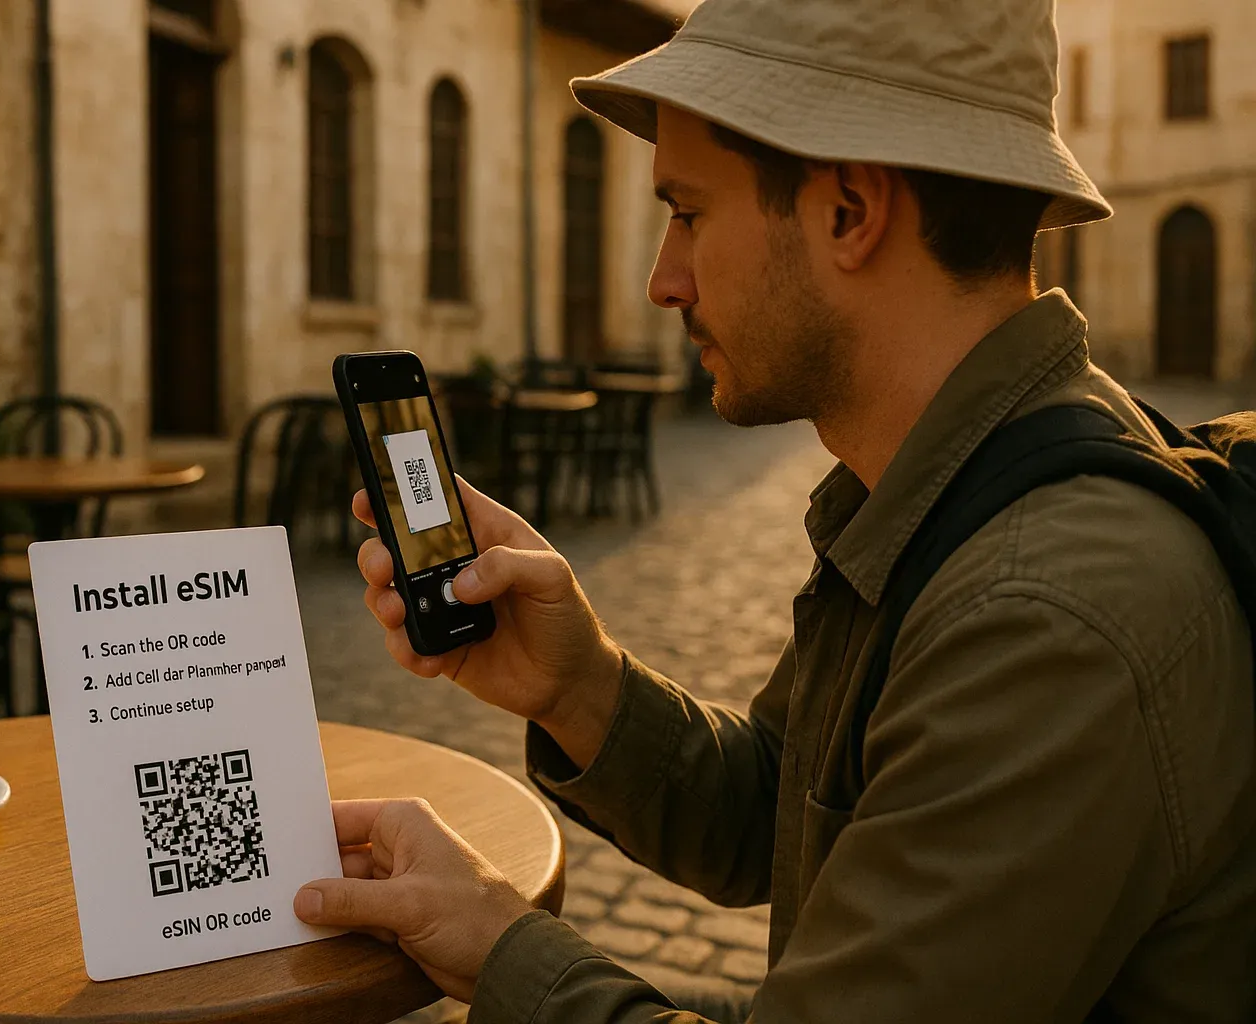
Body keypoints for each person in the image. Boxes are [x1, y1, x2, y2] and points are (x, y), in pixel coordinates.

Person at [294, 0, 1256, 1019]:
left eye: (689, 212)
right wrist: (579, 686)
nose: (663, 280)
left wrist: (500, 951)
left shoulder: (1044, 610)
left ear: (849, 210)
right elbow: (783, 810)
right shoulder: (953, 482)